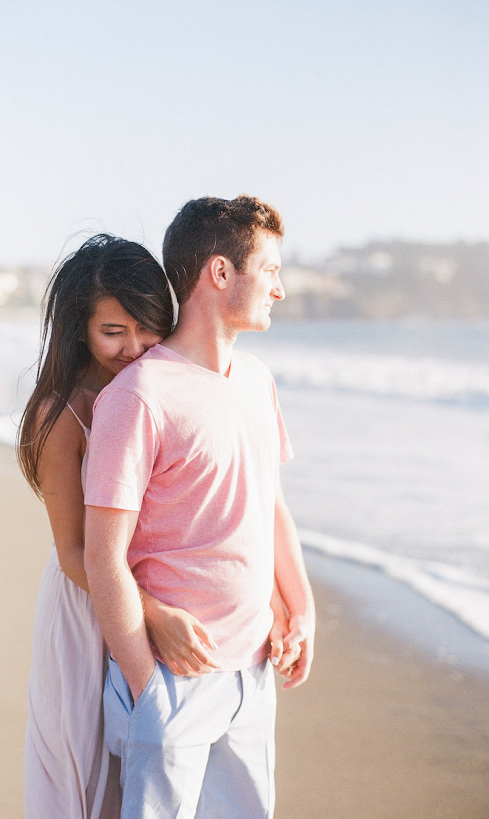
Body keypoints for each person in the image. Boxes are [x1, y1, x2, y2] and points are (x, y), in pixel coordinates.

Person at [18, 233, 298, 819]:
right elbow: (74, 549)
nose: (134, 346)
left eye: (148, 328)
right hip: (88, 600)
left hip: (145, 589)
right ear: (80, 333)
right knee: (92, 779)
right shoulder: (63, 412)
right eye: (112, 333)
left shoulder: (166, 389)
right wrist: (151, 616)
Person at [83, 196, 316, 819]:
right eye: (268, 271)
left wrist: (302, 608)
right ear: (219, 273)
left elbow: (270, 506)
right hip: (172, 679)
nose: (280, 289)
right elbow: (102, 556)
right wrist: (146, 686)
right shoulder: (139, 397)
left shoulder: (258, 381)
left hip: (253, 671)